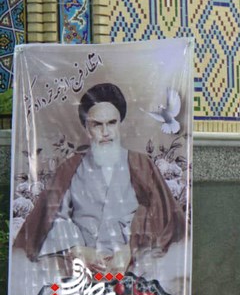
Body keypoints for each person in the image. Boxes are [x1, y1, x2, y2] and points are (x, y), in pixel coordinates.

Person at [13, 83, 185, 273]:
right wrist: (75, 248)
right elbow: (55, 216)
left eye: (111, 123)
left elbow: (163, 218)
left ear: (120, 124)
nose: (105, 132)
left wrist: (130, 249)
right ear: (87, 129)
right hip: (80, 269)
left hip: (132, 267)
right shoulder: (69, 169)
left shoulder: (142, 165)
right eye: (97, 125)